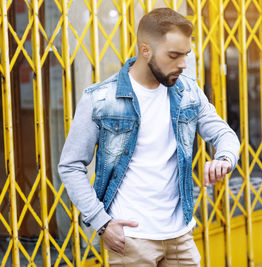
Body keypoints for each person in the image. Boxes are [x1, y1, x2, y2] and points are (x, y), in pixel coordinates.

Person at [58, 7, 240, 266]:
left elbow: (223, 133)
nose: (183, 64)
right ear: (146, 50)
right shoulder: (100, 99)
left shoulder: (188, 91)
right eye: (174, 55)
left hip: (181, 235)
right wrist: (101, 222)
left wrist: (224, 158)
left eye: (186, 55)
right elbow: (70, 166)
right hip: (131, 239)